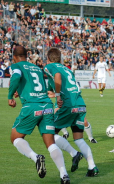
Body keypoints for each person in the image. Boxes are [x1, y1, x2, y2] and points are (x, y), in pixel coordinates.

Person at [8, 46, 70, 183]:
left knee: (15, 138)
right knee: (50, 143)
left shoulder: (15, 66)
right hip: (47, 106)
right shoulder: (36, 67)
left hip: (32, 107)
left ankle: (36, 157)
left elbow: (17, 76)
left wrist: (10, 95)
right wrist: (20, 90)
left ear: (14, 57)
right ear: (26, 55)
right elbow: (36, 85)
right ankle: (64, 174)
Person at [44, 48, 99, 176]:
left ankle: (74, 154)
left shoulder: (49, 67)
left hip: (68, 104)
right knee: (79, 139)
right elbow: (53, 88)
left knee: (49, 134)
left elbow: (57, 77)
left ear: (48, 59)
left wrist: (57, 96)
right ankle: (92, 167)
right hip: (80, 104)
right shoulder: (67, 69)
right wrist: (54, 93)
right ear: (60, 59)